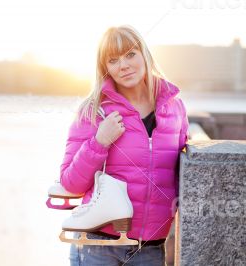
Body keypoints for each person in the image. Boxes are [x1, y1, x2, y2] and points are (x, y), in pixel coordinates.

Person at [59, 25, 189, 265]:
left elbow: (183, 172)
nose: (124, 65)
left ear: (144, 55)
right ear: (104, 68)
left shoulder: (174, 108)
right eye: (113, 60)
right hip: (98, 245)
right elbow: (71, 182)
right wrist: (99, 142)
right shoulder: (93, 110)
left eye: (130, 54)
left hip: (149, 248)